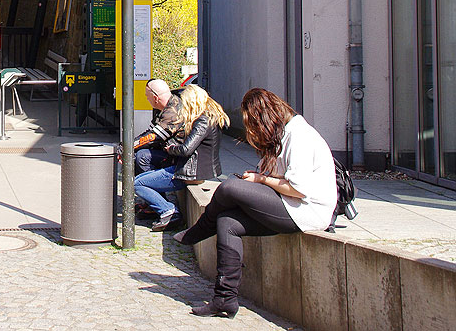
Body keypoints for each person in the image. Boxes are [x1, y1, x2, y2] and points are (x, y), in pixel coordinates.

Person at [173, 88, 337, 319]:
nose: (252, 131)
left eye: (253, 124)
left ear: (264, 117)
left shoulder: (299, 135)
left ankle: (199, 230)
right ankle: (224, 299)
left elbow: (298, 189)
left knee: (230, 187)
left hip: (307, 211)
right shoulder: (285, 134)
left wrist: (260, 179)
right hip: (289, 204)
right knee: (227, 221)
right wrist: (261, 177)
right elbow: (285, 181)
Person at [133, 85, 227, 231]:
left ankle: (169, 211)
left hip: (190, 172)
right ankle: (161, 208)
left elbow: (185, 149)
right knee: (143, 175)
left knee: (138, 184)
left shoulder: (203, 120)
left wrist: (171, 149)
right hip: (190, 169)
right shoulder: (208, 118)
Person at [134, 79, 185, 174]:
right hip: (169, 153)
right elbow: (150, 132)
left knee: (142, 156)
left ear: (155, 98)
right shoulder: (164, 108)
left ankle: (147, 184)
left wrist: (128, 147)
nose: (147, 99)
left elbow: (153, 137)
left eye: (147, 96)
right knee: (136, 154)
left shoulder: (172, 112)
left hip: (177, 158)